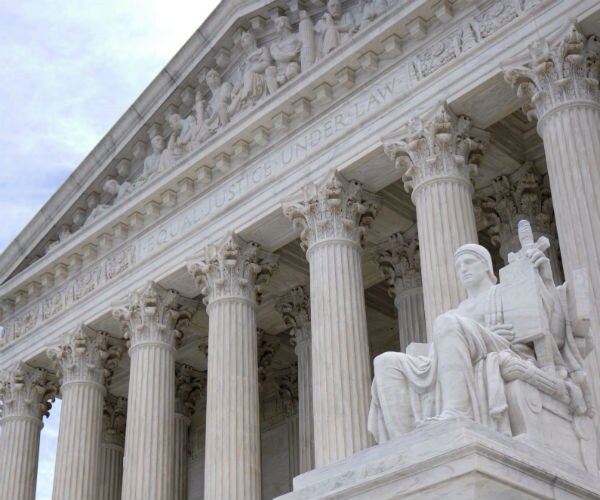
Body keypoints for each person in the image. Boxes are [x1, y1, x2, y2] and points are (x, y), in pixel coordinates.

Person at [368, 241, 586, 443]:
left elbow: (553, 333)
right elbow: (440, 354)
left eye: (469, 262)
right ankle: (407, 441)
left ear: (486, 267)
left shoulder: (503, 294)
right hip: (451, 359)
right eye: (459, 265)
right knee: (385, 361)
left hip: (502, 346)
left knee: (446, 323)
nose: (463, 268)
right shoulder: (457, 312)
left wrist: (545, 281)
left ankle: (457, 411)